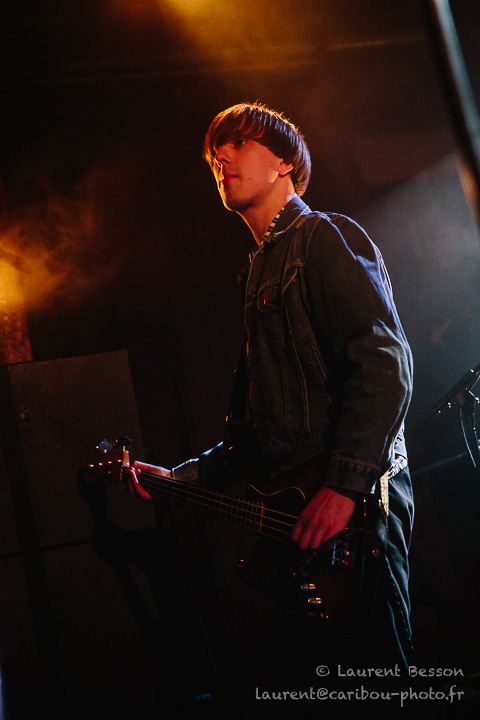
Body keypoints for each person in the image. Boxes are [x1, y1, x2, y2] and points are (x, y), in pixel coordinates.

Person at [128, 102, 414, 713]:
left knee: (383, 689)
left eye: (237, 143)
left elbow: (385, 364)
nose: (221, 157)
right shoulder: (256, 276)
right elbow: (257, 434)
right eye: (214, 153)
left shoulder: (322, 237)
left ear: (285, 163)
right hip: (303, 531)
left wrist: (342, 487)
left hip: (355, 512)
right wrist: (178, 479)